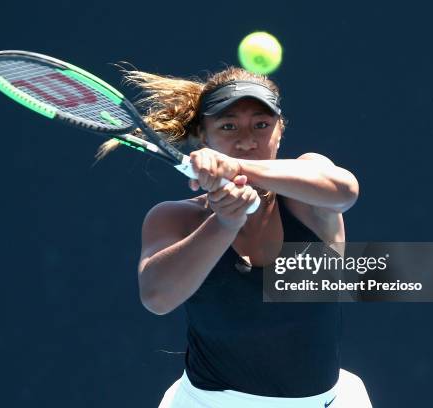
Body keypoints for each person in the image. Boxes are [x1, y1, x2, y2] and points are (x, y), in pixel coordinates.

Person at [98, 67, 371, 407]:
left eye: (261, 124)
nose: (247, 141)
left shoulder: (307, 192)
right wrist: (225, 223)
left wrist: (238, 168)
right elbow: (157, 298)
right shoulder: (176, 217)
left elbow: (345, 191)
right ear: (203, 136)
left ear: (280, 130)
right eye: (228, 126)